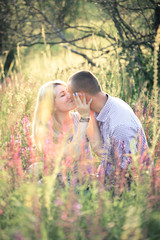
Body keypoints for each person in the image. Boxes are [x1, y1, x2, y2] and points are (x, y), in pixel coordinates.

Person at [67, 70, 149, 178]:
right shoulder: (104, 105)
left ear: (81, 96)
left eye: (70, 93)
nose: (68, 97)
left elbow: (128, 175)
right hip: (105, 178)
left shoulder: (120, 126)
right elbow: (103, 153)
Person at [32, 80, 102, 182]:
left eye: (68, 91)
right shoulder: (45, 130)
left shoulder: (81, 118)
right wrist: (84, 119)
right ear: (52, 105)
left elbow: (99, 149)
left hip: (86, 181)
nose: (70, 96)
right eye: (63, 95)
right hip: (61, 183)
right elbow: (73, 154)